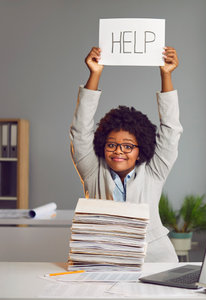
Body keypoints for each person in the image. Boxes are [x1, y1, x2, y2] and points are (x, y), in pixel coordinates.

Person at [70, 46, 181, 262]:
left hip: (155, 259)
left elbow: (171, 130)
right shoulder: (93, 171)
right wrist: (95, 73)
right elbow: (80, 131)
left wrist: (166, 75)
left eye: (128, 146)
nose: (119, 151)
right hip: (102, 258)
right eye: (112, 145)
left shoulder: (154, 172)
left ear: (140, 151)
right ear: (103, 145)